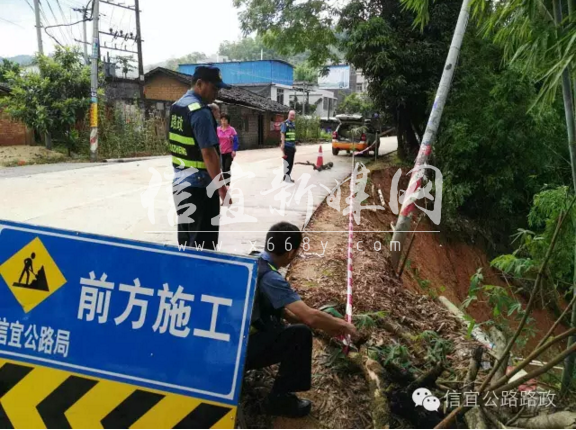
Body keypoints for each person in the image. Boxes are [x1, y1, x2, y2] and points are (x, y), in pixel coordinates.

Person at [246, 222, 357, 418]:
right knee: (300, 336)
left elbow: (285, 312)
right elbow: (310, 317)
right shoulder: (271, 278)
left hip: (227, 345)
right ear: (290, 253)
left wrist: (326, 326)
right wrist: (344, 325)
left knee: (292, 327)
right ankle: (280, 399)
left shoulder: (253, 261)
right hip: (243, 352)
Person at [168, 66, 231, 250]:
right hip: (200, 189)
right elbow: (209, 154)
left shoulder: (177, 106)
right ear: (199, 84)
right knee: (203, 249)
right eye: (214, 88)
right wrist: (222, 189)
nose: (216, 93)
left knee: (187, 245)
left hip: (180, 186)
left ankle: (184, 278)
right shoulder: (200, 112)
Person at [217, 114, 238, 186]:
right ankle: (225, 182)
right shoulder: (217, 129)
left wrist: (234, 150)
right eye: (222, 119)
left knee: (227, 167)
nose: (223, 121)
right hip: (220, 152)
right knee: (223, 168)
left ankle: (227, 184)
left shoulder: (231, 130)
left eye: (225, 120)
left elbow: (235, 141)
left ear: (228, 121)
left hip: (229, 152)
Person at [280, 110, 297, 183]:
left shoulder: (293, 124)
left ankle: (287, 176)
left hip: (292, 146)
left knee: (291, 162)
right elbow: (283, 134)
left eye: (293, 115)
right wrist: (282, 144)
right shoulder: (285, 124)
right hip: (287, 146)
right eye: (291, 115)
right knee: (287, 162)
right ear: (288, 115)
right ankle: (287, 177)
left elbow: (293, 136)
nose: (292, 116)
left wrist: (294, 146)